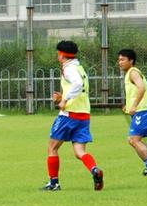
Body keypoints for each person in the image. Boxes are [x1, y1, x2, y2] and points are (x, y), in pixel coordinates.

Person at [42, 40, 103, 192]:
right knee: (79, 151)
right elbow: (79, 88)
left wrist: (64, 99)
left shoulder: (68, 68)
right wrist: (62, 96)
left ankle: (54, 183)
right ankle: (94, 170)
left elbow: (77, 85)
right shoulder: (79, 68)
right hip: (83, 115)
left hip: (69, 115)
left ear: (62, 54)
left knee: (52, 147)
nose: (57, 57)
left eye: (58, 54)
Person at [117, 48, 147, 175]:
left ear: (131, 61)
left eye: (122, 59)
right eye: (119, 60)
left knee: (134, 140)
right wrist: (128, 106)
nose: (119, 62)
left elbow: (141, 88)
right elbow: (135, 91)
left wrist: (133, 106)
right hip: (142, 110)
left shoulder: (133, 72)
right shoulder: (129, 73)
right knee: (134, 140)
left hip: (143, 110)